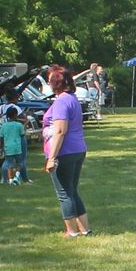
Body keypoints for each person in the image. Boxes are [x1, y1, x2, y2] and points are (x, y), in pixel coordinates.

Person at [42, 64, 89, 237]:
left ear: (56, 83)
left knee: (64, 193)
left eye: (49, 81)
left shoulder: (61, 101)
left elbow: (60, 130)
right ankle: (85, 229)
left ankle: (72, 231)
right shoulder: (71, 98)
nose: (48, 84)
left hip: (65, 151)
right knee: (72, 191)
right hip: (78, 149)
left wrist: (52, 158)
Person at [0, 104, 27, 185]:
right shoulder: (19, 125)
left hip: (8, 147)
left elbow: (1, 137)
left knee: (9, 164)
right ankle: (17, 177)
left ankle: (10, 180)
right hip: (17, 147)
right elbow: (22, 134)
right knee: (20, 163)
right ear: (15, 115)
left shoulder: (4, 126)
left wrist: (1, 147)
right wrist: (25, 125)